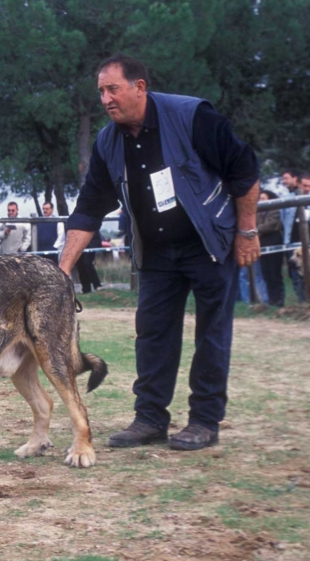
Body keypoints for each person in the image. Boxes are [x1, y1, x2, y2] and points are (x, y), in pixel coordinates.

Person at [59, 54, 260, 451]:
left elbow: (244, 170)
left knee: (212, 334)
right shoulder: (107, 142)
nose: (105, 99)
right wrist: (62, 271)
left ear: (139, 87)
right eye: (100, 91)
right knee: (151, 334)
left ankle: (204, 420)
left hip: (209, 245)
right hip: (157, 253)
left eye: (112, 89)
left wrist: (247, 231)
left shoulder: (192, 116)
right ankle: (150, 419)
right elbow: (88, 209)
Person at [280, 170, 306, 302]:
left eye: (286, 178)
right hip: (291, 242)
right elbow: (283, 221)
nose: (284, 182)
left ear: (295, 179)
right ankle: (303, 303)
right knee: (294, 275)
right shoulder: (286, 198)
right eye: (305, 185)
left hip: (306, 243)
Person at [257, 190, 284, 306]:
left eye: (263, 198)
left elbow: (271, 225)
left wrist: (255, 230)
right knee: (266, 274)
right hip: (261, 246)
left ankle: (279, 300)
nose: (261, 200)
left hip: (274, 243)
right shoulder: (257, 212)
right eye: (260, 198)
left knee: (275, 274)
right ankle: (271, 301)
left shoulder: (275, 210)